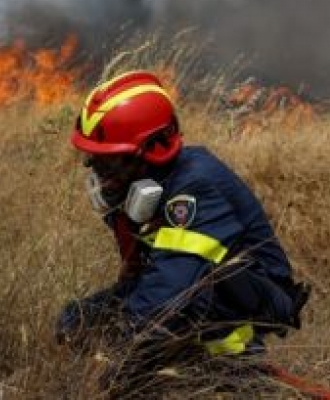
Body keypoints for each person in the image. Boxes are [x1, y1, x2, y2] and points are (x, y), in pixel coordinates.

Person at [56, 70, 309, 384]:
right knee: (77, 318)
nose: (100, 175)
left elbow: (169, 289)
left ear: (153, 150)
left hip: (252, 293)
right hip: (192, 280)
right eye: (94, 160)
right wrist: (90, 319)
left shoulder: (194, 188)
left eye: (110, 162)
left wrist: (119, 358)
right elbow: (145, 275)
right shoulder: (145, 182)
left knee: (164, 321)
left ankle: (232, 370)